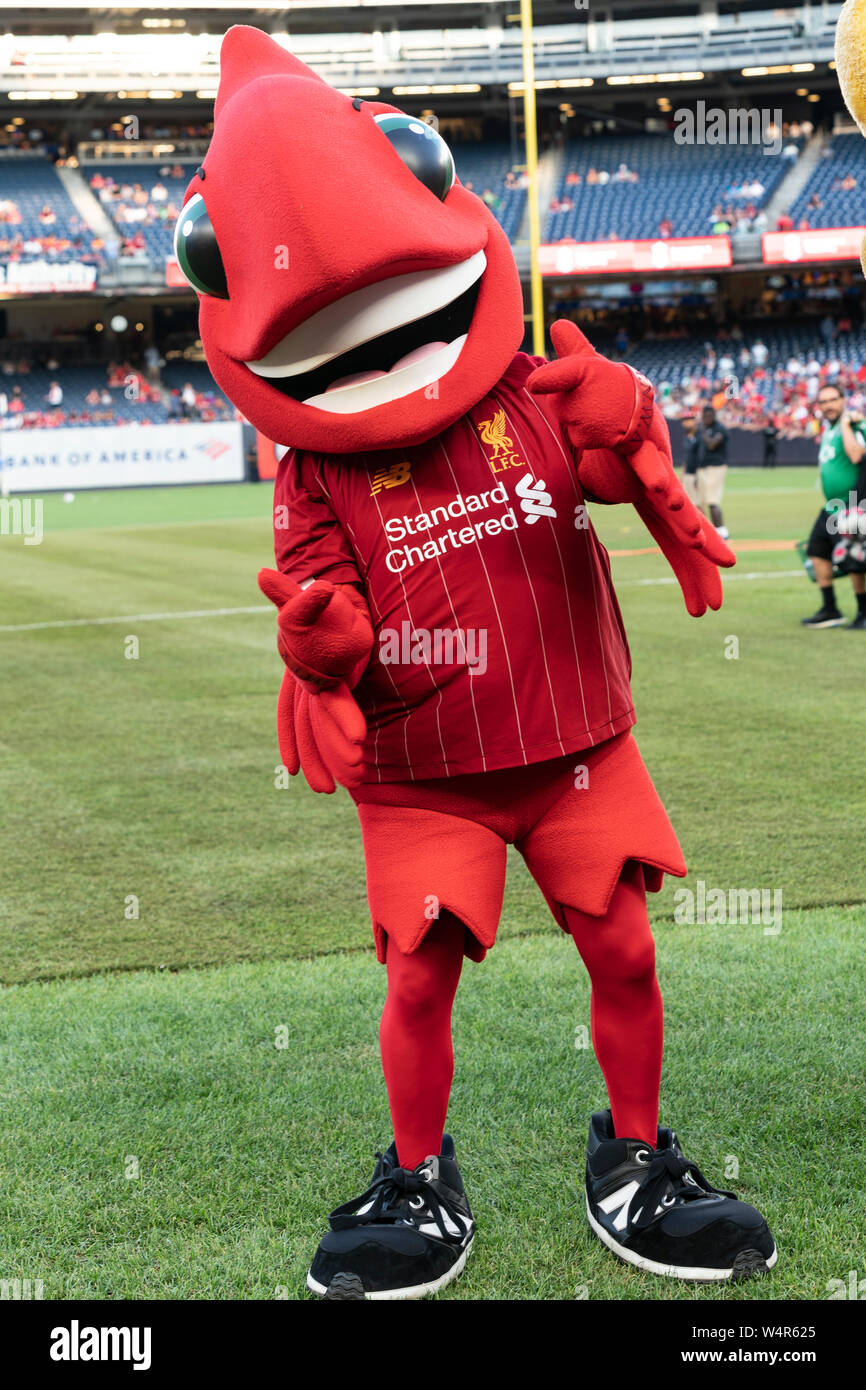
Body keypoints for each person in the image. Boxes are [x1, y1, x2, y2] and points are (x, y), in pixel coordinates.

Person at [195, 25, 776, 1300]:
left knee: (624, 949)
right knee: (416, 977)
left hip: (578, 744)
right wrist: (318, 645)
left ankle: (635, 1157)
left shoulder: (529, 389)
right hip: (428, 771)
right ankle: (416, 1174)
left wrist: (634, 430)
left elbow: (619, 461)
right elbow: (321, 599)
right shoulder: (311, 472)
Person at [801, 380, 866, 629]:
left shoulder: (854, 424)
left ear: (843, 400)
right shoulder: (828, 429)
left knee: (854, 561)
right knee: (817, 552)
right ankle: (830, 609)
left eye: (832, 400)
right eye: (823, 401)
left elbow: (857, 455)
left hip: (853, 504)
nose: (828, 405)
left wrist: (848, 425)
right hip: (832, 506)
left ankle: (863, 611)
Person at [695, 404, 730, 538]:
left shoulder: (719, 429)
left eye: (708, 416)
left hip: (716, 467)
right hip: (704, 467)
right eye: (704, 416)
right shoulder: (704, 429)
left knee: (712, 500)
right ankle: (707, 530)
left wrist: (702, 431)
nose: (706, 419)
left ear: (714, 416)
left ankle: (722, 530)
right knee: (700, 501)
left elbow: (712, 444)